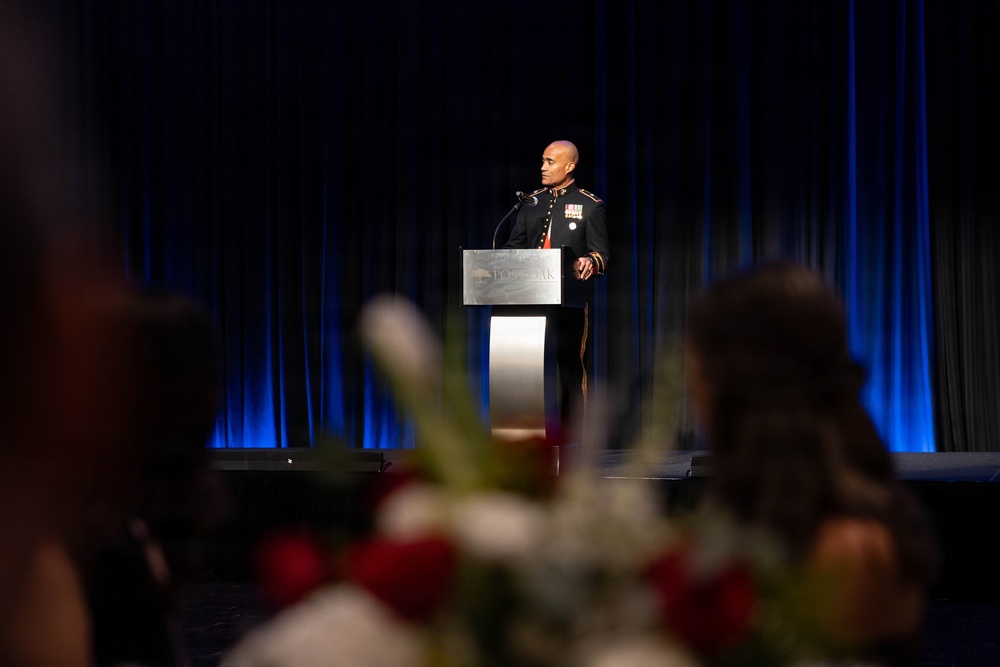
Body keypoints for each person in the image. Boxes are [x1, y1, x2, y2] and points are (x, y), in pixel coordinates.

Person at [684, 262, 938, 662]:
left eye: (697, 369)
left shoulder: (852, 556)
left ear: (735, 386)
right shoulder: (742, 514)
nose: (690, 388)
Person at [503, 140, 609, 440]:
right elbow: (513, 250)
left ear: (569, 166)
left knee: (570, 372)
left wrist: (591, 260)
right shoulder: (531, 203)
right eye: (542, 161)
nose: (543, 167)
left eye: (550, 162)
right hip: (526, 300)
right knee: (524, 370)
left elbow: (602, 254)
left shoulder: (590, 205)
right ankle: (523, 441)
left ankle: (575, 440)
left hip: (569, 303)